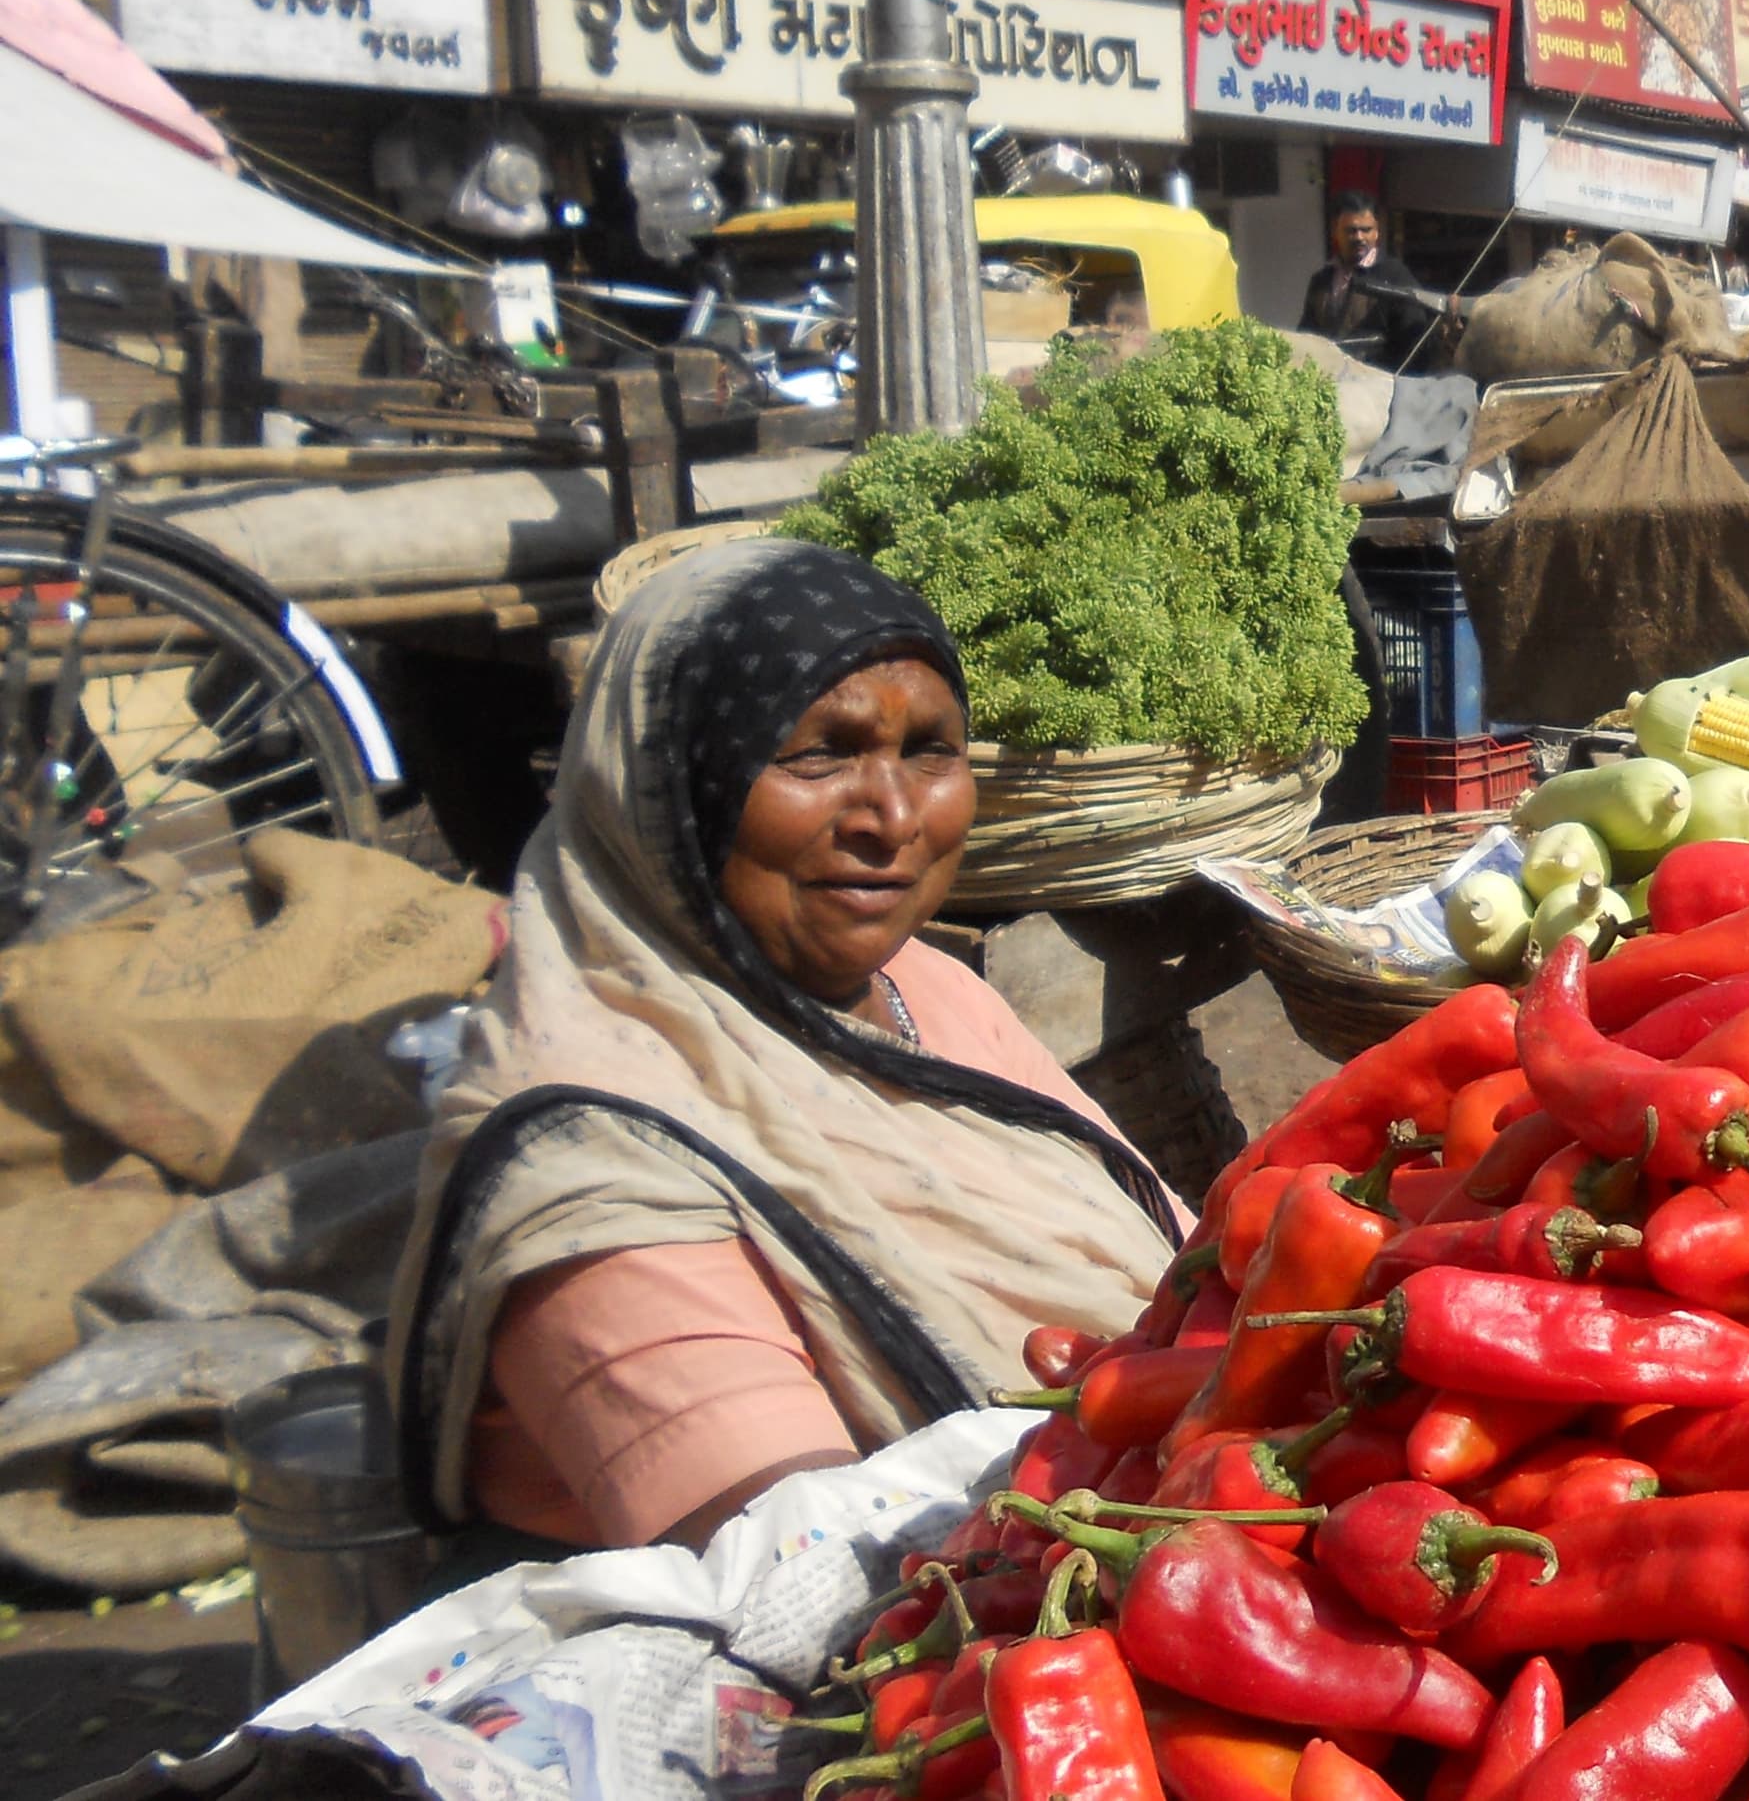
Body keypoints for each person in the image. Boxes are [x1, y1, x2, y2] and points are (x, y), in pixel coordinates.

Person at [387, 542, 1183, 1555]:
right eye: (819, 754)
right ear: (667, 786)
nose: (893, 818)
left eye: (931, 751)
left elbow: (1180, 1287)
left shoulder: (921, 991)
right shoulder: (593, 1175)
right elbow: (809, 1568)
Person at [1301, 194, 1453, 367]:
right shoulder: (1322, 280)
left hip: (1378, 382)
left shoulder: (1394, 275)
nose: (1359, 237)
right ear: (1335, 231)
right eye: (1351, 230)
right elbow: (1306, 335)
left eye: (1366, 230)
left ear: (1377, 232)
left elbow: (1413, 341)